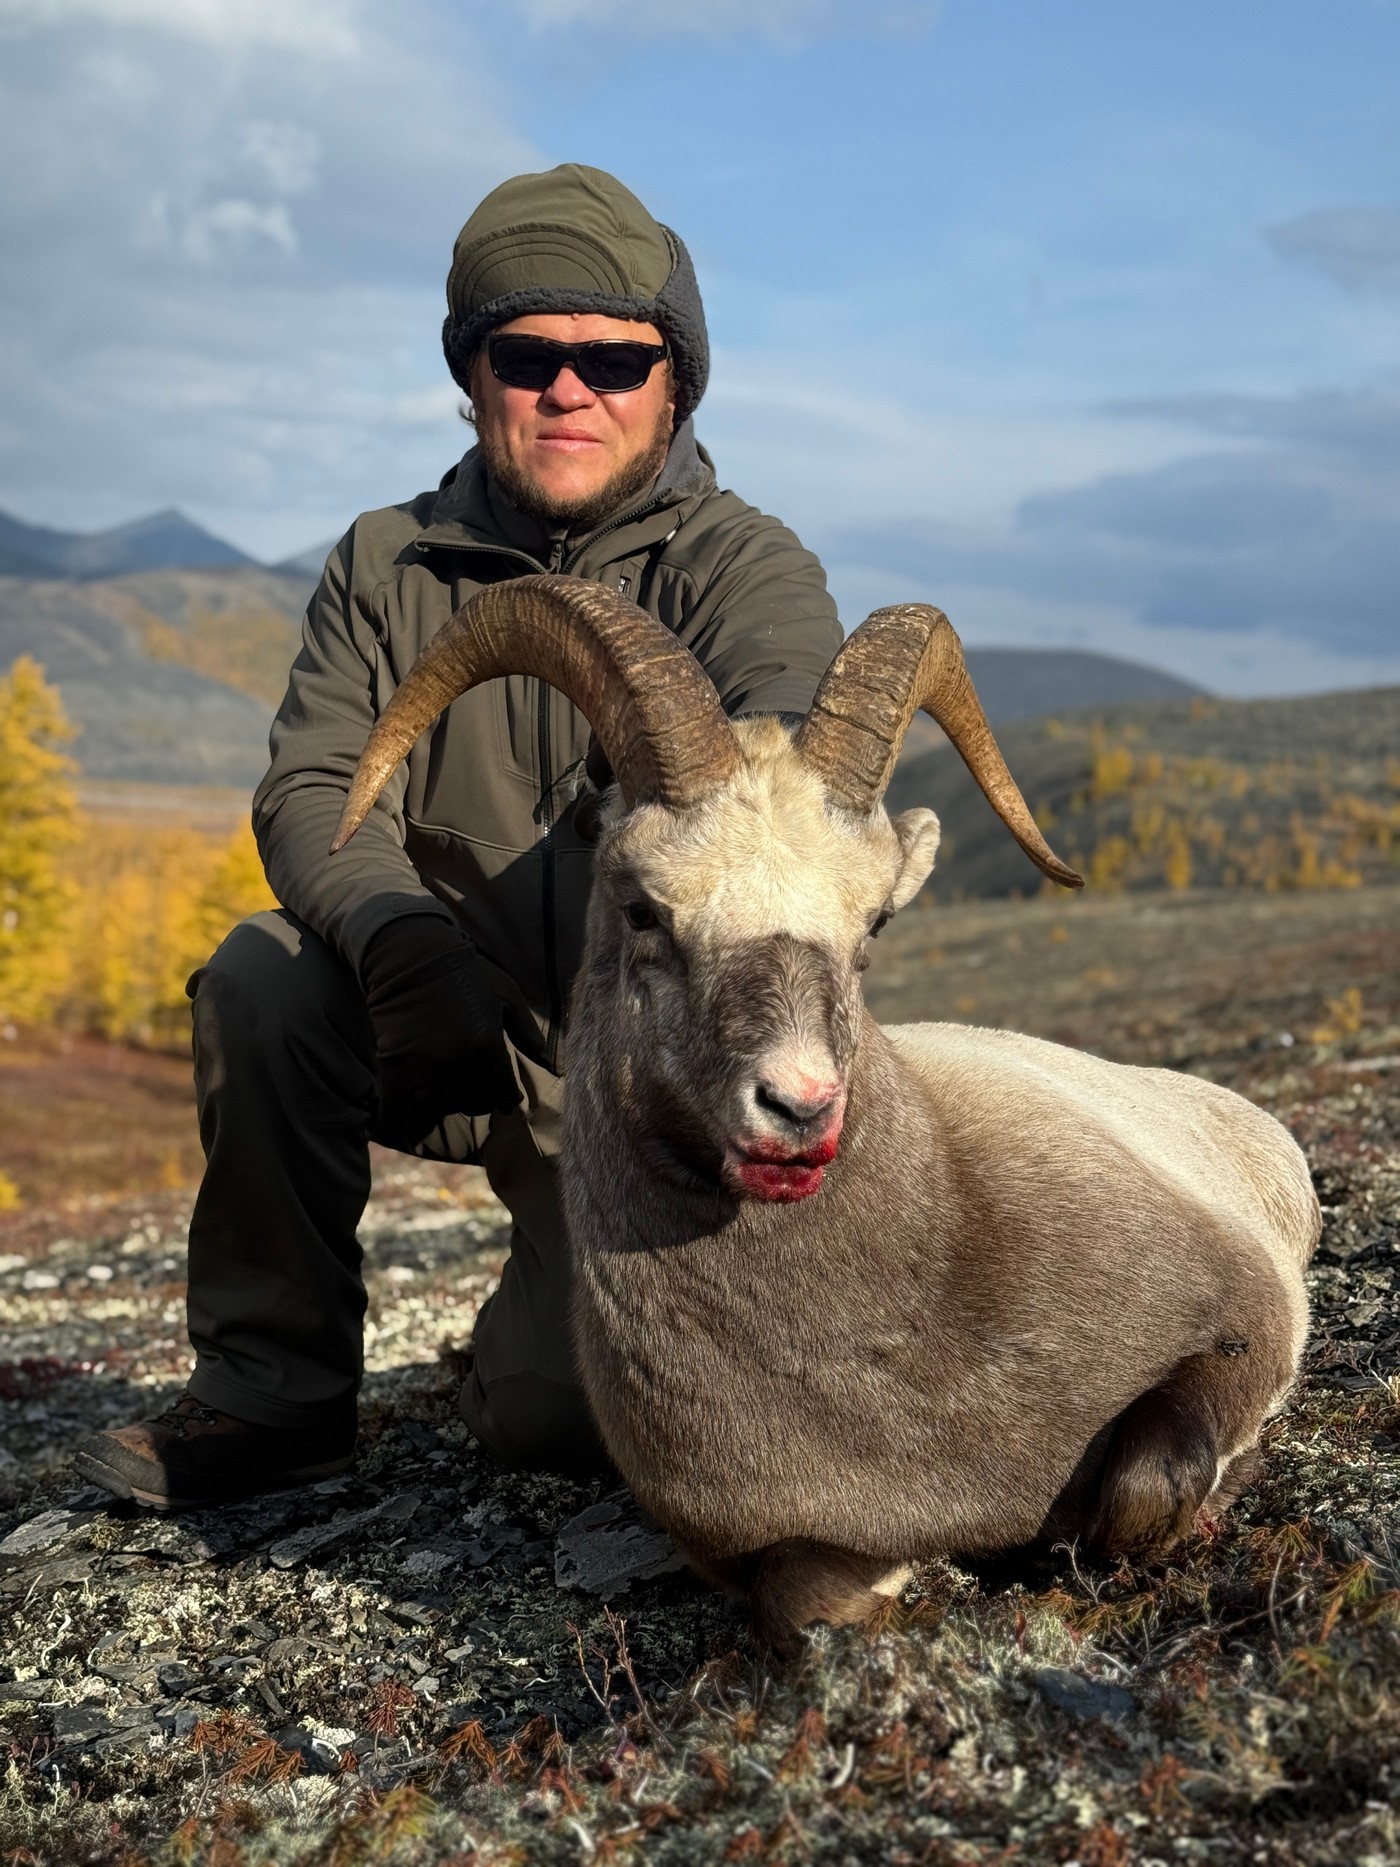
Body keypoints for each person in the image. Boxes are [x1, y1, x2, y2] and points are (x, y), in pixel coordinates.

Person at [74, 164, 843, 1508]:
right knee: (262, 979)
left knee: (556, 1418)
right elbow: (314, 783)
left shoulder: (746, 570)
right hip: (435, 1012)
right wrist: (396, 939)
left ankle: (533, 1331)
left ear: (677, 384)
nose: (569, 390)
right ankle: (272, 1398)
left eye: (615, 360)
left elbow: (775, 788)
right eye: (527, 356)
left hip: (645, 1054)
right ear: (472, 377)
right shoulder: (388, 563)